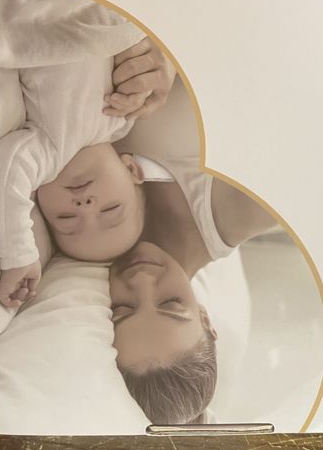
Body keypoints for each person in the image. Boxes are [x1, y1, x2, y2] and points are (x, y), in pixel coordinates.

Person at [0, 0, 177, 308]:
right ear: (132, 169)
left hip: (42, 13)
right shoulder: (127, 117)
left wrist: (20, 256)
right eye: (110, 209)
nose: (85, 205)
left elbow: (8, 174)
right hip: (105, 3)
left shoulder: (48, 152)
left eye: (66, 218)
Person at [108, 155, 276, 425]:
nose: (142, 280)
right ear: (205, 318)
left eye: (121, 309)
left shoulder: (84, 239)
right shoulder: (246, 208)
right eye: (171, 303)